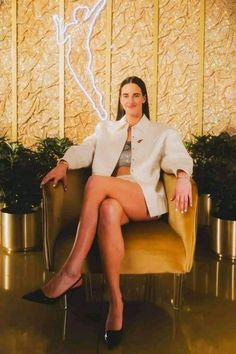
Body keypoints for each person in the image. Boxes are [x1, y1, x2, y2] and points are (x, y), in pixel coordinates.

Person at [23, 76, 193, 349]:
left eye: (136, 95)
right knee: (108, 210)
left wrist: (183, 176)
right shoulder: (105, 129)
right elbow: (84, 150)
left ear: (144, 99)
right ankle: (116, 303)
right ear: (120, 100)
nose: (131, 100)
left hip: (142, 197)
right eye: (125, 95)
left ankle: (71, 272)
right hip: (113, 198)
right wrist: (64, 163)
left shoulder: (163, 132)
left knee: (96, 182)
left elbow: (177, 156)